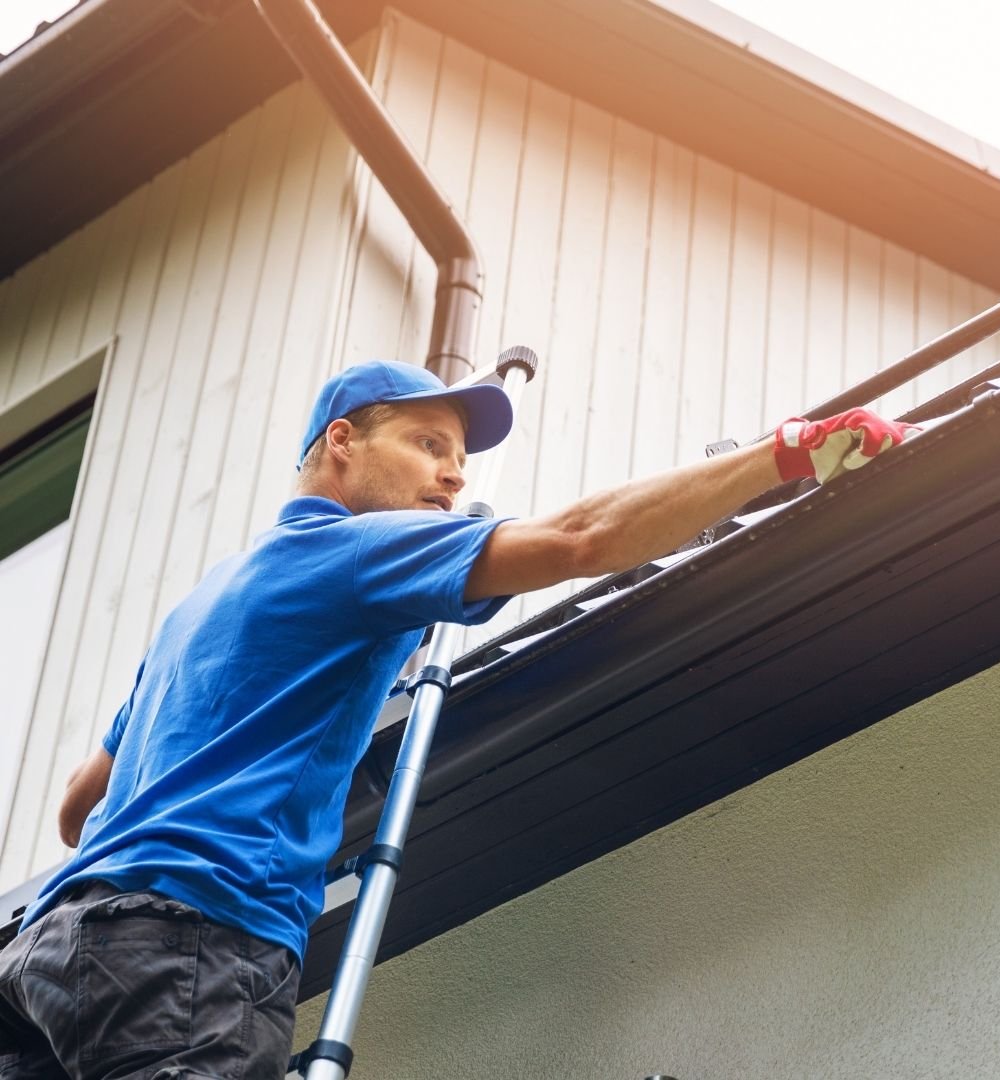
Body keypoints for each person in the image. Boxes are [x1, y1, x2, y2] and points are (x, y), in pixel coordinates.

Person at [0, 359, 914, 1079]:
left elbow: (82, 807)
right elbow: (581, 539)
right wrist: (782, 453)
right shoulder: (357, 550)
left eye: (462, 461)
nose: (450, 476)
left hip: (49, 955)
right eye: (429, 444)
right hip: (189, 948)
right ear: (342, 443)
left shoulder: (198, 608)